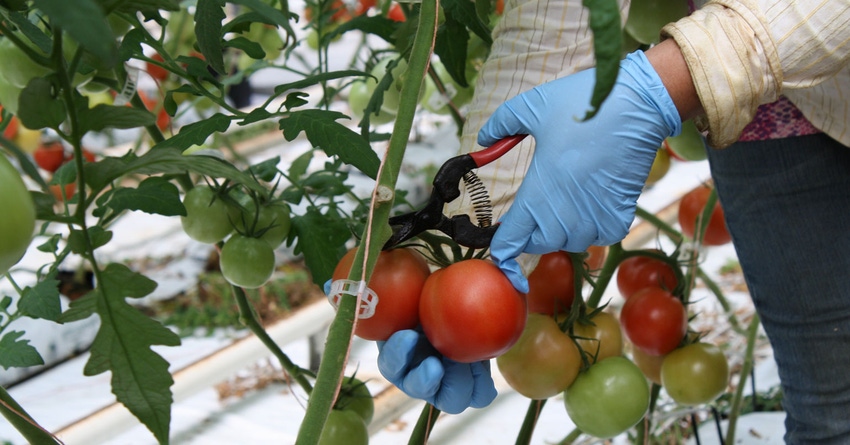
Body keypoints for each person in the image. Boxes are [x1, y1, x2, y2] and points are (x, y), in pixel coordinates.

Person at [376, 0, 850, 443]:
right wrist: (461, 248)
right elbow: (554, 29)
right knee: (828, 409)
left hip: (770, 50)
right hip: (766, 110)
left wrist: (668, 79)